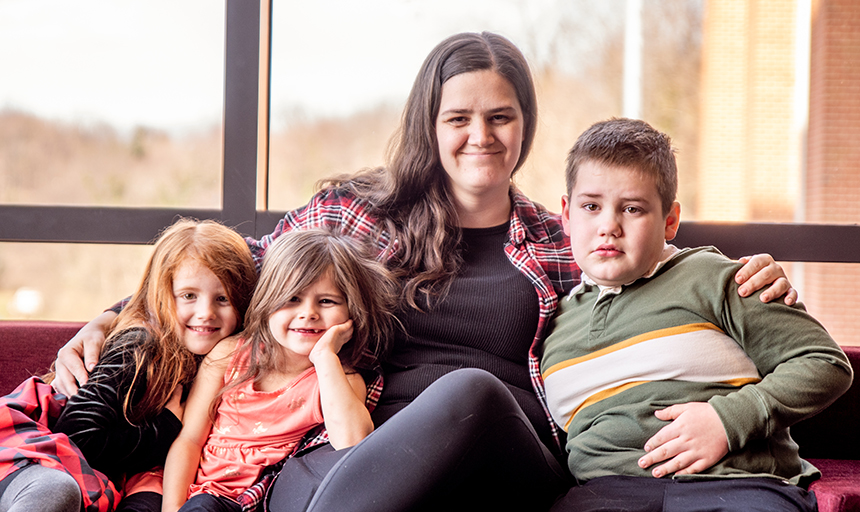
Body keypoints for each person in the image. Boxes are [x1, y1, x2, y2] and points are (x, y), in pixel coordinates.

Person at [52, 32, 798, 511]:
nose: (481, 136)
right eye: (459, 118)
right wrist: (118, 318)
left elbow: (654, 261)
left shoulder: (561, 238)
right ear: (430, 125)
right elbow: (237, 270)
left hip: (504, 455)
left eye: (501, 117)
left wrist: (751, 278)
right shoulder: (353, 216)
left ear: (525, 127)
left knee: (464, 390)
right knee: (311, 486)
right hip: (355, 444)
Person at [541, 118, 853, 512]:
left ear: (670, 220)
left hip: (738, 484)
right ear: (567, 215)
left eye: (632, 209)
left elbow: (825, 363)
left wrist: (728, 420)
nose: (608, 227)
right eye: (591, 206)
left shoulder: (717, 277)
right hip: (606, 493)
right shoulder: (554, 326)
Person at [161, 228, 397, 512]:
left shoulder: (338, 379)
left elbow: (352, 440)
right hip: (203, 497)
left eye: (327, 301)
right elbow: (189, 440)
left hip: (260, 500)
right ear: (268, 301)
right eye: (292, 299)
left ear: (351, 311)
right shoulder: (230, 354)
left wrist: (324, 356)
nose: (308, 313)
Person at [39, 218, 255, 512]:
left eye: (223, 299)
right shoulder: (141, 346)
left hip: (140, 475)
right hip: (46, 462)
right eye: (188, 296)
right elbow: (77, 438)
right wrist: (165, 426)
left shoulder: (222, 354)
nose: (206, 313)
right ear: (161, 296)